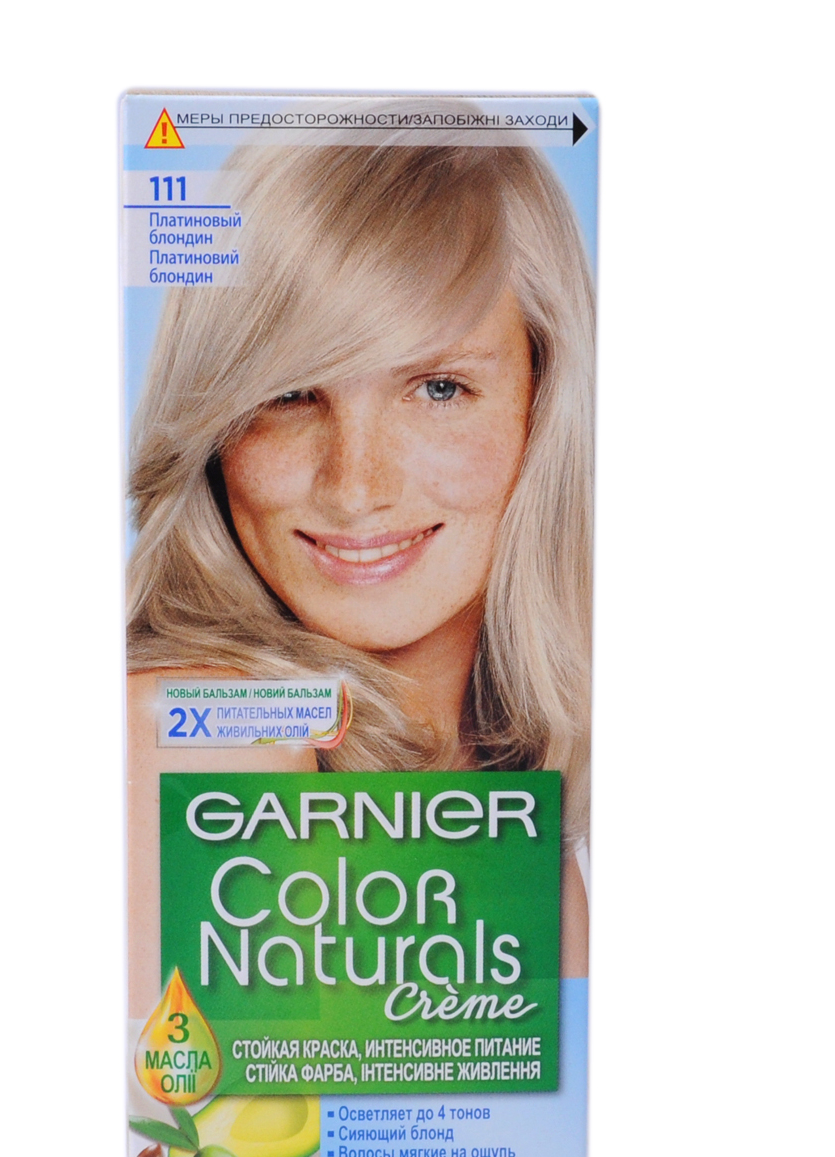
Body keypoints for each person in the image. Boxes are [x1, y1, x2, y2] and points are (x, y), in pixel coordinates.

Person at [125, 118, 594, 1006]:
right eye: (289, 393)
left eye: (439, 388)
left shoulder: (517, 812)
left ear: (544, 402)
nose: (355, 487)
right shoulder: (218, 737)